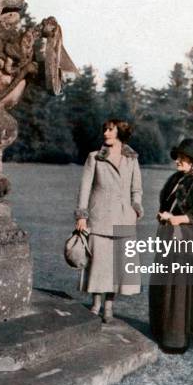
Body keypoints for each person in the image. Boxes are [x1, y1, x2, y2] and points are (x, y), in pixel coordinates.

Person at [149, 138, 193, 352]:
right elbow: (168, 203)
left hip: (188, 245)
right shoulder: (175, 180)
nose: (178, 161)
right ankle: (164, 330)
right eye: (178, 157)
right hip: (170, 240)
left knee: (180, 290)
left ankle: (177, 339)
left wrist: (178, 219)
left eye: (183, 158)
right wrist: (163, 215)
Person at [75, 119, 143, 323]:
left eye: (110, 130)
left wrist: (135, 208)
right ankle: (96, 305)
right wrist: (81, 215)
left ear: (120, 132)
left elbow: (136, 189)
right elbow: (85, 189)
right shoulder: (94, 158)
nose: (106, 133)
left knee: (117, 266)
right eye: (104, 129)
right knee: (99, 264)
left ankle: (109, 308)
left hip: (123, 218)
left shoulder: (131, 159)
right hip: (99, 217)